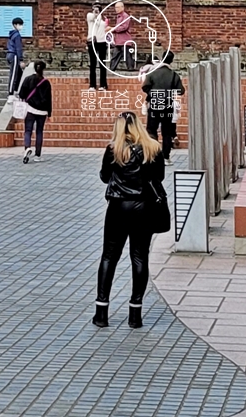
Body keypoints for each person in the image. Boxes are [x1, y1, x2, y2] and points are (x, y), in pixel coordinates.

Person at [92, 110, 165, 329]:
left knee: (109, 256)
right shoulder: (152, 148)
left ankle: (101, 312)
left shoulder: (114, 149)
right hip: (143, 207)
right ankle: (135, 314)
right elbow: (159, 177)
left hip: (117, 206)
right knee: (139, 257)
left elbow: (105, 177)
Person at [142, 51, 185, 161]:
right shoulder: (173, 75)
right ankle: (166, 156)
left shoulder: (152, 73)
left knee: (152, 130)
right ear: (171, 61)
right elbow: (181, 91)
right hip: (168, 106)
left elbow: (145, 87)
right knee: (167, 132)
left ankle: (154, 154)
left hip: (155, 105)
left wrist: (153, 94)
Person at [18, 59, 52, 163]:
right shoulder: (46, 82)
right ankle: (37, 155)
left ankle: (27, 147)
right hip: (42, 111)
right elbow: (49, 99)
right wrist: (49, 113)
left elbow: (21, 94)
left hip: (30, 109)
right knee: (39, 132)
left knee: (28, 130)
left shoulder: (28, 79)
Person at [86, 4, 110, 90]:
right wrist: (95, 14)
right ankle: (92, 85)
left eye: (98, 9)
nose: (96, 11)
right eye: (94, 9)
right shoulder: (89, 16)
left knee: (102, 64)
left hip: (102, 42)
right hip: (92, 41)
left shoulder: (103, 20)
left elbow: (105, 27)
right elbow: (93, 18)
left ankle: (103, 84)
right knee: (92, 64)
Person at [109, 0, 135, 71]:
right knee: (115, 54)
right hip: (119, 40)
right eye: (115, 7)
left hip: (125, 39)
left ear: (122, 7)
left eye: (117, 7)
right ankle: (112, 68)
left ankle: (130, 67)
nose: (116, 9)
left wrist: (113, 29)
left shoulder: (125, 16)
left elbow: (124, 27)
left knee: (127, 55)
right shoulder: (119, 16)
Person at [6, 18, 24, 94]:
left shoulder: (12, 34)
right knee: (13, 74)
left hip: (10, 54)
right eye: (19, 24)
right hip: (14, 55)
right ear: (15, 25)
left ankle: (16, 90)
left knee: (19, 73)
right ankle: (11, 92)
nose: (21, 26)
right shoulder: (17, 35)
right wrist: (21, 60)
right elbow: (18, 48)